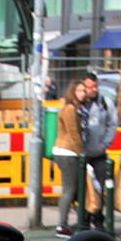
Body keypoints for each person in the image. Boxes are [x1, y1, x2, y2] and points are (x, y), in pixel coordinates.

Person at [81, 72, 119, 230]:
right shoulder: (78, 103)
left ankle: (98, 220)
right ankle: (83, 221)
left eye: (95, 86)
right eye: (89, 87)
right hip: (82, 155)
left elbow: (113, 125)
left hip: (99, 154)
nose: (92, 89)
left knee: (99, 188)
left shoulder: (105, 102)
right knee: (83, 189)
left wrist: (104, 145)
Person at [52, 81, 88, 226]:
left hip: (68, 151)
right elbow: (74, 135)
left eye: (84, 91)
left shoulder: (74, 109)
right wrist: (82, 155)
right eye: (79, 90)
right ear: (72, 92)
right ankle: (62, 225)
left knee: (76, 189)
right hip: (67, 151)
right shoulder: (70, 109)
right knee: (70, 189)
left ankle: (80, 222)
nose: (82, 93)